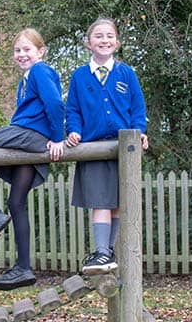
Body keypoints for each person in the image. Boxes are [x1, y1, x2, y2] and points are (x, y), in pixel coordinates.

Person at [0, 28, 65, 290]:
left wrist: (58, 138)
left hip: (31, 135)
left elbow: (56, 104)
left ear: (41, 51)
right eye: (17, 50)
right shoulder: (25, 80)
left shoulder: (40, 71)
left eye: (27, 49)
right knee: (17, 202)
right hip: (30, 139)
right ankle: (23, 268)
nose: (22, 55)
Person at [65, 17, 148, 275]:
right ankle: (102, 251)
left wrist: (140, 133)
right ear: (89, 43)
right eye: (98, 36)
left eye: (109, 36)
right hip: (93, 148)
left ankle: (107, 253)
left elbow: (137, 109)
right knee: (100, 201)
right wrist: (74, 131)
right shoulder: (80, 76)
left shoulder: (126, 74)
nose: (104, 40)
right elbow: (73, 109)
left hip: (123, 149)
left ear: (117, 42)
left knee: (117, 203)